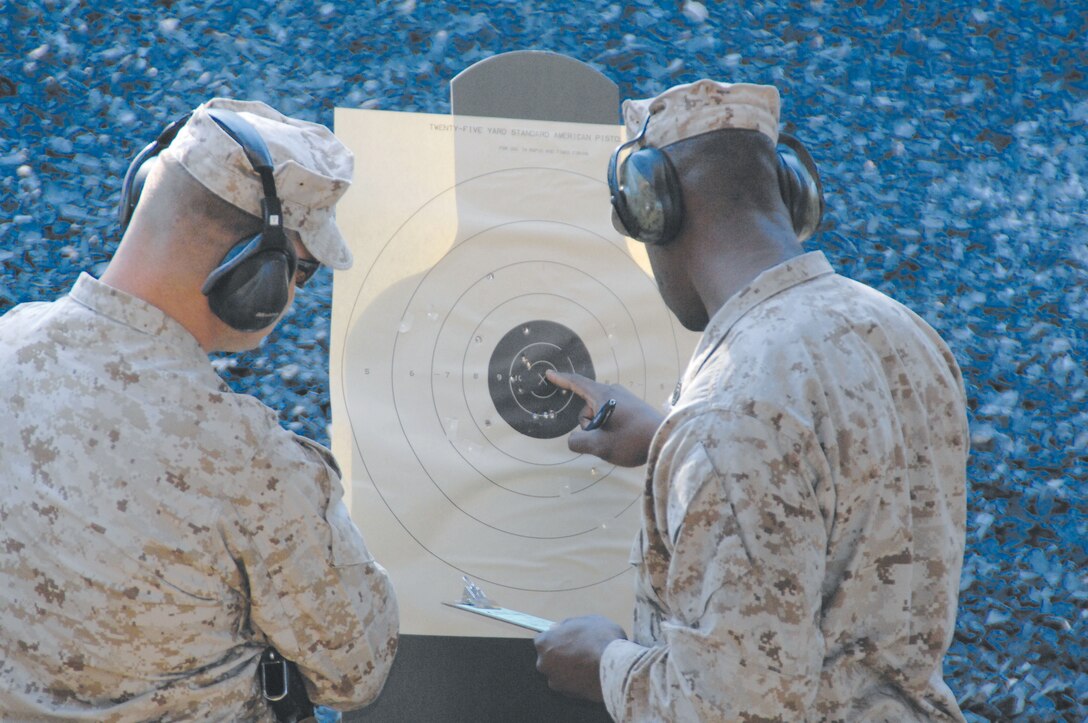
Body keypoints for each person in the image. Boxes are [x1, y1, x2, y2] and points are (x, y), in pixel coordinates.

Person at [534, 79, 968, 721]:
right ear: (790, 193)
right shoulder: (904, 332)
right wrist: (670, 445)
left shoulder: (729, 412)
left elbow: (736, 710)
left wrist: (605, 664)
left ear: (653, 207)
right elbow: (833, 494)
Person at [0, 98, 398, 721]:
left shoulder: (9, 343)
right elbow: (356, 670)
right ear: (256, 274)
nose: (296, 292)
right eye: (304, 269)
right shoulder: (249, 462)